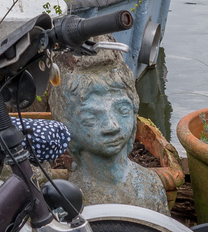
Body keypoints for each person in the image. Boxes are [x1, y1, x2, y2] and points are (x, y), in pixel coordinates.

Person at [51, 44, 168, 214]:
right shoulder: (70, 198)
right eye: (91, 118)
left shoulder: (151, 186)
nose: (111, 126)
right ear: (67, 125)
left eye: (122, 110)